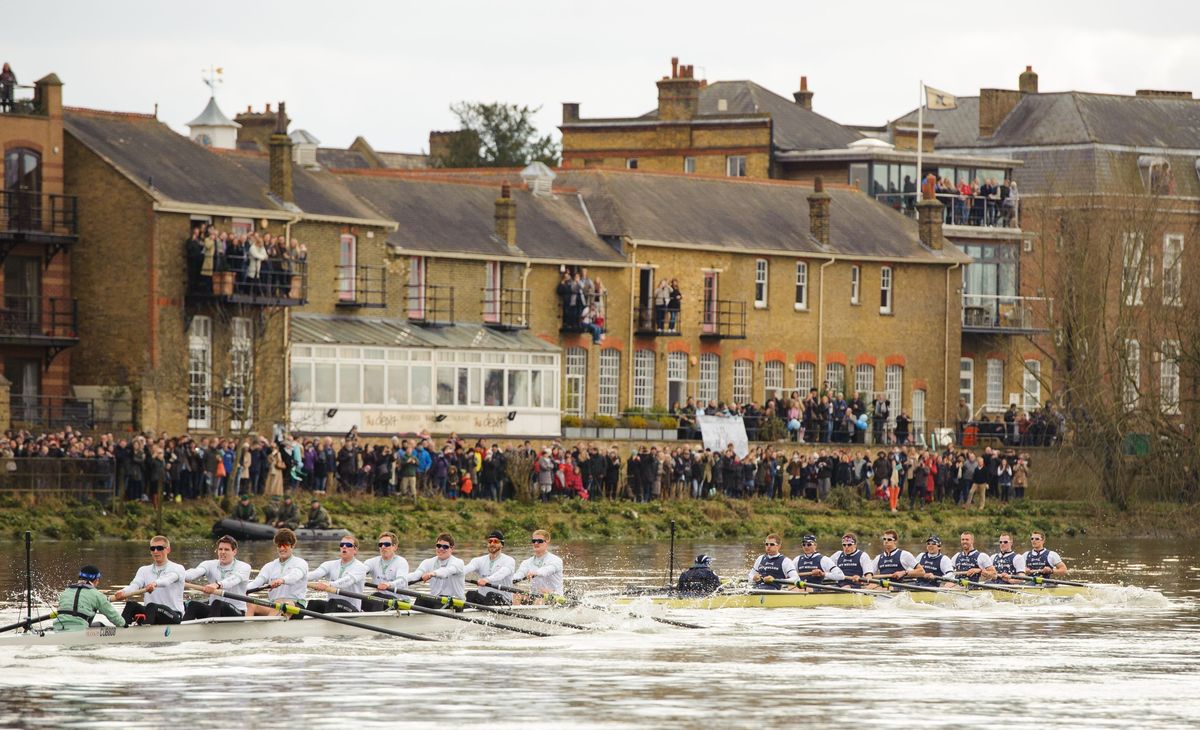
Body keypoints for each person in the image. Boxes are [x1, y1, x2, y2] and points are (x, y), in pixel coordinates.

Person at [114, 535, 186, 625]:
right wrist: (123, 592)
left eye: (159, 548)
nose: (155, 551)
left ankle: (146, 630)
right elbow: (135, 585)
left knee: (152, 606)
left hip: (173, 614)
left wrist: (155, 584)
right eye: (152, 548)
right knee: (131, 605)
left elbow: (167, 580)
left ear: (168, 550)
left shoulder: (178, 568)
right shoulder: (143, 570)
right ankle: (121, 629)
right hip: (150, 613)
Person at [182, 535, 252, 620]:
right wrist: (178, 575)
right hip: (214, 610)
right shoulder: (209, 564)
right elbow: (193, 573)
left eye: (226, 549)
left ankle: (210, 627)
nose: (223, 552)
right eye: (220, 549)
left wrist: (217, 585)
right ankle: (184, 627)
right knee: (193, 604)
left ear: (234, 552)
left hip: (237, 612)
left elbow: (232, 580)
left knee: (218, 603)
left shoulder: (244, 567)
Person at [244, 528, 309, 616]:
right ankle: (246, 624)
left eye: (285, 545)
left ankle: (268, 624)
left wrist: (282, 580)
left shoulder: (301, 563)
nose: (282, 548)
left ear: (292, 546)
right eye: (279, 545)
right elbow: (256, 583)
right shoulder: (269, 566)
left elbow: (294, 576)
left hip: (296, 606)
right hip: (274, 605)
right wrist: (242, 589)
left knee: (279, 604)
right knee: (250, 604)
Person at [51, 565, 126, 632]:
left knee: (98, 624)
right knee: (100, 625)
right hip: (80, 630)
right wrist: (125, 625)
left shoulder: (66, 591)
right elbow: (113, 616)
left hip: (57, 627)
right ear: (96, 580)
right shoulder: (96, 594)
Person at [307, 534, 368, 613]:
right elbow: (316, 574)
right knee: (314, 603)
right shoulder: (329, 564)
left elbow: (347, 581)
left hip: (352, 609)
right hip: (332, 606)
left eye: (348, 545)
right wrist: (301, 578)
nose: (344, 547)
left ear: (355, 550)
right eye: (342, 545)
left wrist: (329, 584)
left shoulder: (360, 567)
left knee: (334, 603)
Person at [406, 532, 467, 608]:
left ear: (452, 548)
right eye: (438, 546)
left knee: (438, 602)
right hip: (437, 600)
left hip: (456, 602)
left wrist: (432, 573)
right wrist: (397, 581)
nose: (441, 549)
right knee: (421, 599)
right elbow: (416, 575)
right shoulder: (428, 562)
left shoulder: (458, 562)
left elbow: (446, 572)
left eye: (445, 547)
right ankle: (415, 615)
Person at [361, 531, 411, 612]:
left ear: (395, 547)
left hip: (401, 603)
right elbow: (361, 570)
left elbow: (402, 580)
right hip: (380, 601)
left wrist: (389, 584)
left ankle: (376, 618)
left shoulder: (401, 562)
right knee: (361, 600)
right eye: (380, 544)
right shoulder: (371, 562)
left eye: (387, 544)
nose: (383, 547)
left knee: (377, 596)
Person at [464, 530, 516, 605]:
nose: (492, 544)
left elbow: (502, 573)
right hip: (484, 600)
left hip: (504, 601)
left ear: (502, 545)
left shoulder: (509, 560)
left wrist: (487, 579)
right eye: (490, 541)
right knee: (470, 594)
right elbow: (468, 568)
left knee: (491, 595)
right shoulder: (479, 560)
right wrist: (458, 573)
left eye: (496, 541)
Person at [512, 529, 564, 603]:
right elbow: (519, 575)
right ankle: (515, 609)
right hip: (535, 596)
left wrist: (536, 572)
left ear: (547, 542)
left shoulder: (556, 560)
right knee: (516, 594)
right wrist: (509, 580)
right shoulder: (526, 562)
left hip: (556, 597)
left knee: (541, 594)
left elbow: (547, 570)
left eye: (539, 541)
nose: (536, 543)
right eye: (534, 541)